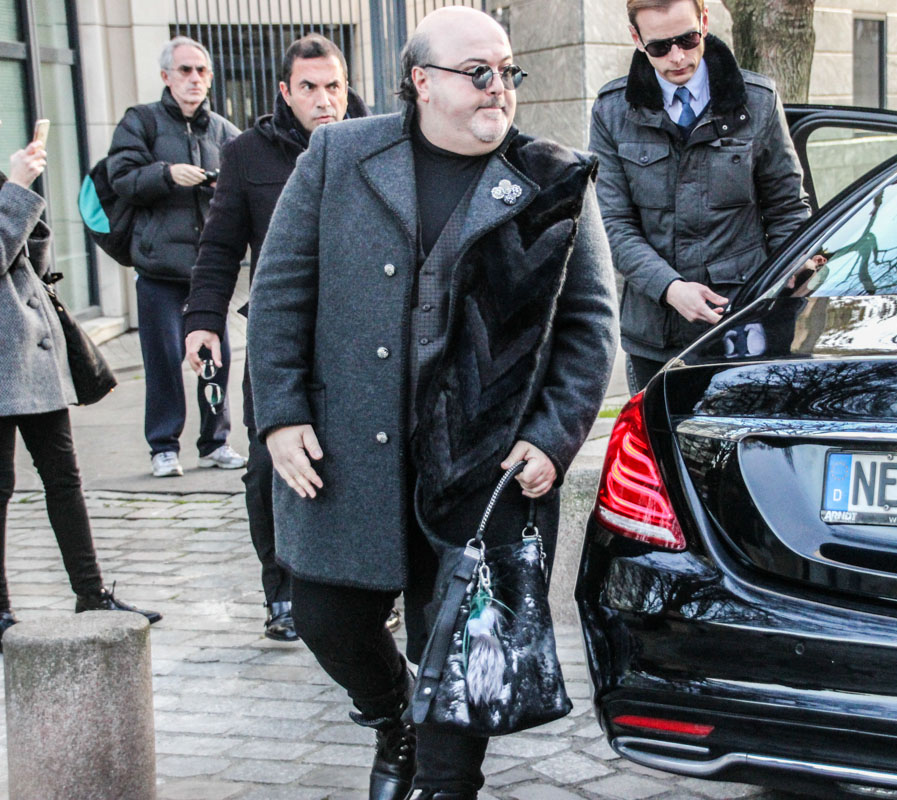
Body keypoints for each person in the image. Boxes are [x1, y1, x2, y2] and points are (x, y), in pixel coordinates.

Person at [247, 8, 616, 799]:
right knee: (325, 616)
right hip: (347, 452)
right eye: (477, 71)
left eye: (507, 71)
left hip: (485, 471)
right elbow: (279, 295)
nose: (498, 88)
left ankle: (444, 779)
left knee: (456, 661)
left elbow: (591, 328)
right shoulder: (338, 155)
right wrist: (279, 415)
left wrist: (553, 439)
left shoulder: (554, 179)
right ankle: (391, 721)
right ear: (421, 80)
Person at [181, 34, 369, 643]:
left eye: (333, 86)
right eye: (309, 88)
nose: (324, 100)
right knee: (268, 468)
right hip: (278, 339)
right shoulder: (247, 155)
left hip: (363, 339)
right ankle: (282, 593)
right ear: (285, 92)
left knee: (360, 464)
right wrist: (203, 320)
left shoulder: (382, 140)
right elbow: (219, 246)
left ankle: (362, 588)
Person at [590, 0, 811, 391]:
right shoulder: (612, 111)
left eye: (688, 39)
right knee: (658, 448)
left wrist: (785, 289)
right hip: (655, 336)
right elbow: (613, 224)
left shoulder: (757, 102)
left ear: (704, 22)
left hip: (743, 325)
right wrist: (671, 289)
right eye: (660, 46)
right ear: (637, 39)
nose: (677, 57)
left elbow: (787, 209)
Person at [0, 133, 161, 645]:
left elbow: (33, 265)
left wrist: (26, 202)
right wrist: (19, 192)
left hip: (31, 355)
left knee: (64, 480)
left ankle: (91, 593)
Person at [107, 35, 244, 478]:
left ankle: (215, 442)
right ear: (166, 76)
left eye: (202, 71)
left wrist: (218, 183)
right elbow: (121, 177)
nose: (195, 79)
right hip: (158, 267)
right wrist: (167, 175)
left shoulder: (223, 131)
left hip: (207, 272)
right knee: (164, 360)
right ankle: (163, 447)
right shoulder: (140, 121)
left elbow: (243, 186)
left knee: (216, 358)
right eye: (185, 70)